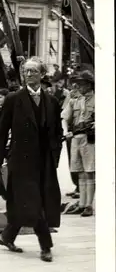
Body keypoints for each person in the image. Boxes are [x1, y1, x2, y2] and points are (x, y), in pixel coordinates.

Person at [0, 57, 63, 263]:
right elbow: (1, 132)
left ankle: (7, 236)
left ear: (42, 74)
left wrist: (54, 157)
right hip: (21, 161)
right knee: (32, 201)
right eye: (26, 71)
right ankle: (46, 245)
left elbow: (57, 132)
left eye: (33, 71)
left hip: (44, 162)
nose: (29, 75)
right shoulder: (13, 99)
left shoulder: (52, 101)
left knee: (29, 201)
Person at [61, 70, 95, 217]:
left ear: (89, 84)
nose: (78, 86)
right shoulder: (75, 100)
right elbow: (64, 117)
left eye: (81, 83)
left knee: (89, 171)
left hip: (90, 138)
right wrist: (65, 130)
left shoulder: (98, 99)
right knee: (80, 172)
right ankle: (81, 204)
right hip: (75, 137)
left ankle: (89, 205)